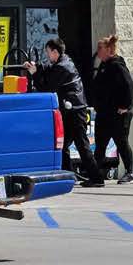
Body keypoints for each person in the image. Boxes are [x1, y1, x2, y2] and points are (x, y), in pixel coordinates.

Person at [25, 38, 105, 187]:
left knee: (82, 145)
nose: (47, 55)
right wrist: (37, 66)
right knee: (63, 145)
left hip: (75, 112)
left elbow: (47, 87)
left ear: (55, 52)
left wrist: (34, 74)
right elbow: (49, 68)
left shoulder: (63, 67)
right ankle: (68, 175)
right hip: (71, 110)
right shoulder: (63, 61)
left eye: (48, 52)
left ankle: (97, 178)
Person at [89, 34, 133, 185]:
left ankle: (129, 173)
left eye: (100, 49)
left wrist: (125, 106)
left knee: (122, 142)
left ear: (109, 50)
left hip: (117, 114)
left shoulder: (117, 65)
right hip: (104, 113)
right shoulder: (104, 65)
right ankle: (97, 177)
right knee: (100, 146)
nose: (98, 52)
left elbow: (128, 86)